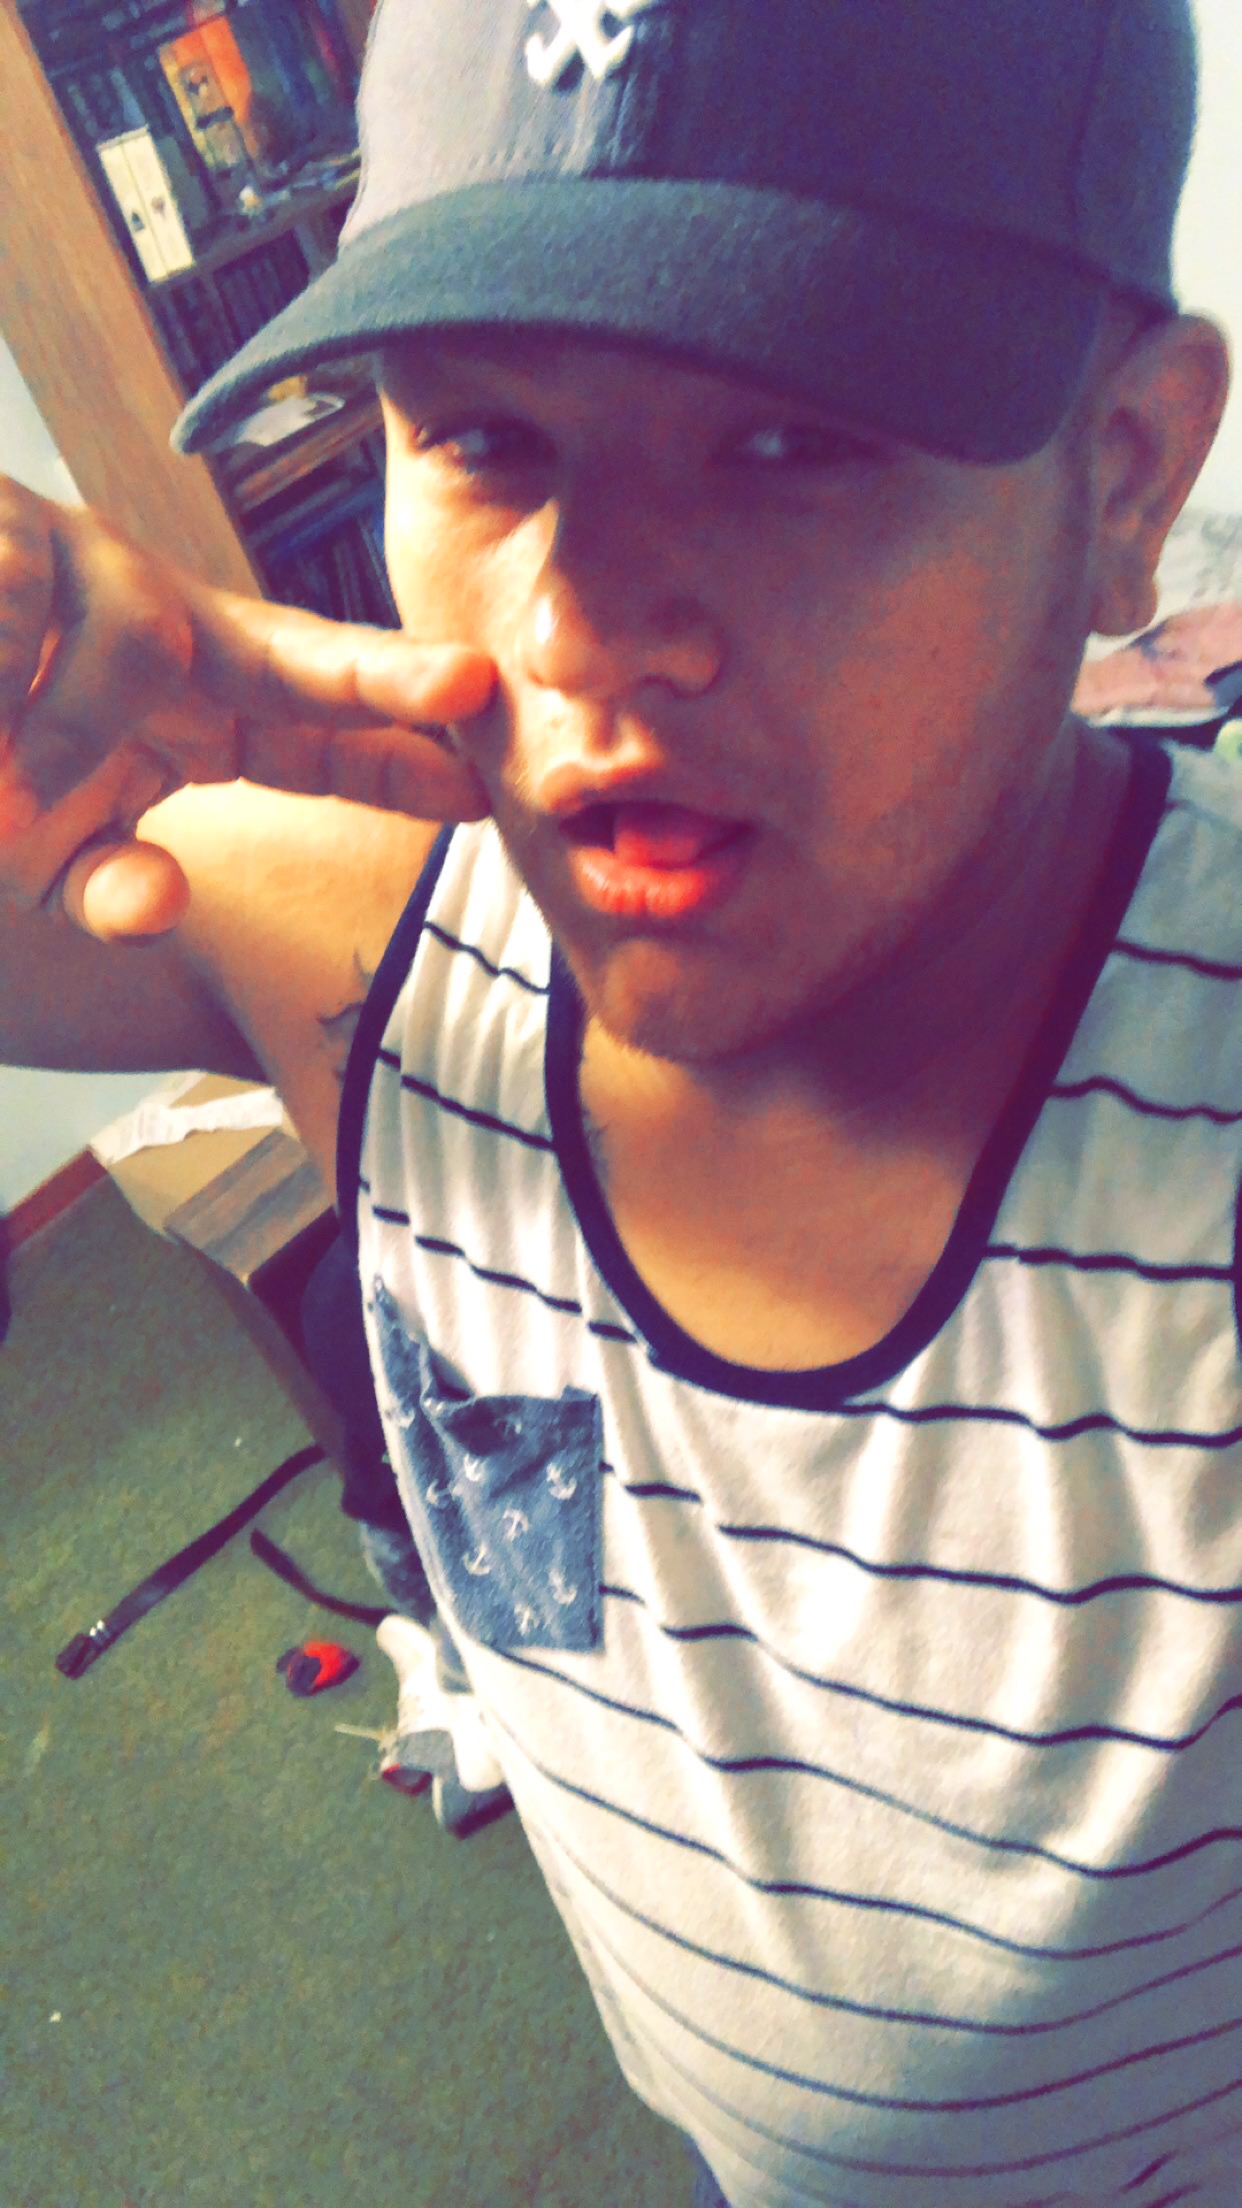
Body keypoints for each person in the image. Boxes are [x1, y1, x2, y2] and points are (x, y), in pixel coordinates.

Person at [1, 0, 1238, 2199]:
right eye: (481, 436)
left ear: (1126, 475)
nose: (579, 625)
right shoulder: (370, 952)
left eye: (785, 441)